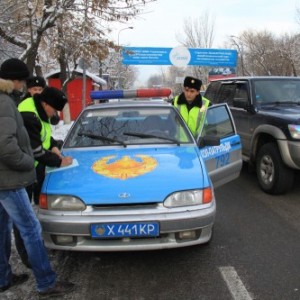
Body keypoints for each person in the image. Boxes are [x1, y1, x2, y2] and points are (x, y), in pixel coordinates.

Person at [0, 58, 75, 297]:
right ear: (13, 80)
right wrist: (25, 165)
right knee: (31, 228)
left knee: (3, 228)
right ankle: (46, 282)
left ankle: (3, 277)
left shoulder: (12, 102)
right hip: (9, 178)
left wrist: (53, 147)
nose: (23, 86)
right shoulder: (7, 104)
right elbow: (8, 146)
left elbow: (41, 138)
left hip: (5, 177)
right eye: (22, 81)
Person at [18, 86, 73, 206]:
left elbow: (43, 136)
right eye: (54, 110)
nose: (54, 114)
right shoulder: (29, 115)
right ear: (45, 104)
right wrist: (59, 162)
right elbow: (35, 149)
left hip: (32, 165)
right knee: (23, 211)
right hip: (20, 169)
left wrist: (53, 146)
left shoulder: (39, 110)